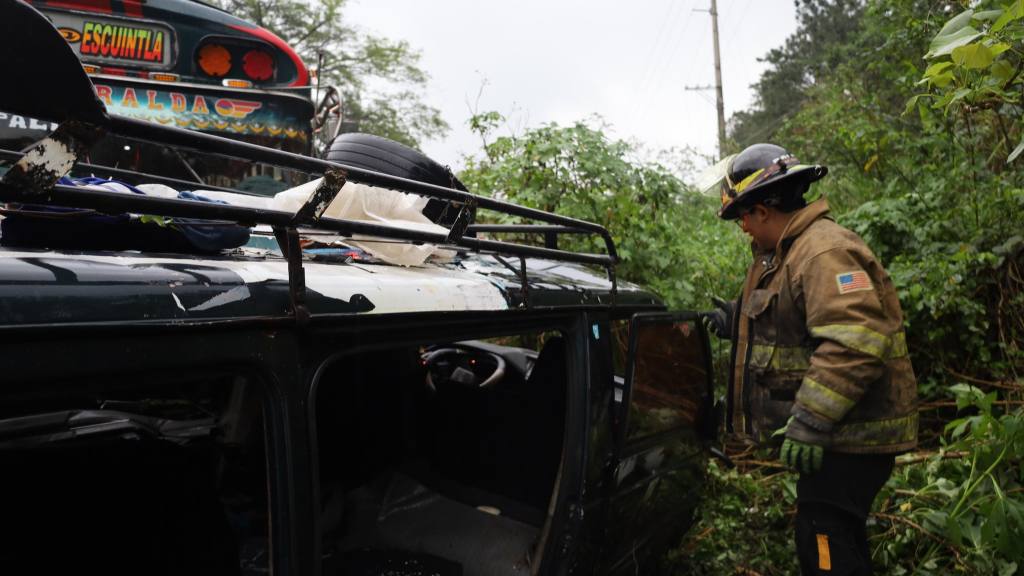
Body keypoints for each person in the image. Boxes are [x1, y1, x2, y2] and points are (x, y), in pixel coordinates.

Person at [702, 143, 918, 575]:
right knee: (834, 532)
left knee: (823, 540)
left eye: (743, 217)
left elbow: (853, 342)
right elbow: (793, 316)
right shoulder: (792, 251)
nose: (743, 228)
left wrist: (811, 420)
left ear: (763, 210)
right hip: (840, 434)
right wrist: (737, 320)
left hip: (849, 436)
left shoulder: (822, 252)